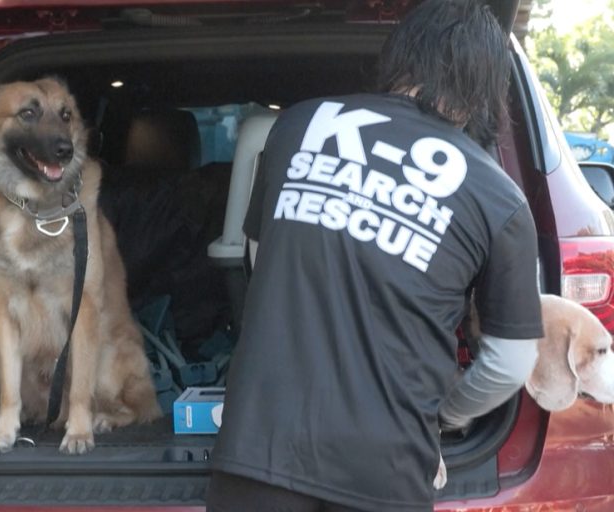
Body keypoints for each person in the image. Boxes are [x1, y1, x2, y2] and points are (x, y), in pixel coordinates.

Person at [206, 0, 543, 511]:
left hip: (259, 450)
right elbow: (511, 363)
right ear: (485, 86)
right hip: (388, 469)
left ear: (400, 56)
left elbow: (262, 260)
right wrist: (443, 416)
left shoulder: (297, 125)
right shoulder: (498, 197)